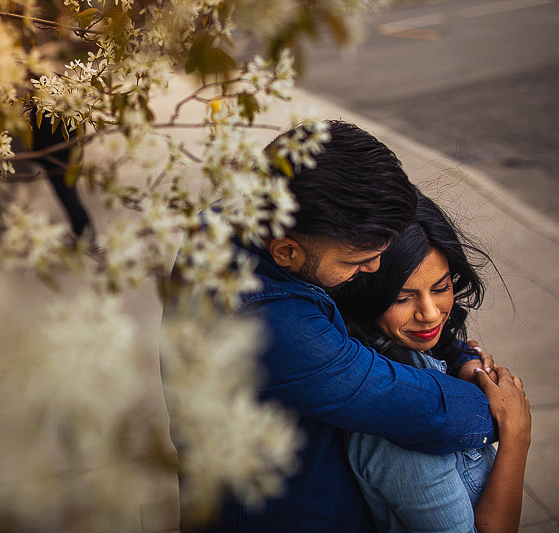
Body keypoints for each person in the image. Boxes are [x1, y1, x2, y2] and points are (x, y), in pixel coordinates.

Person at [168, 120, 499, 532]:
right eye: (358, 261)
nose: (375, 269)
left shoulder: (233, 221)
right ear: (286, 251)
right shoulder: (269, 322)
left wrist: (460, 356)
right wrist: (500, 410)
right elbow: (415, 408)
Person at [331, 192, 531, 532]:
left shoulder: (424, 356)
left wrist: (464, 364)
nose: (429, 313)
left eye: (441, 287)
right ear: (366, 296)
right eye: (402, 298)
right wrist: (517, 432)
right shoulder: (401, 416)